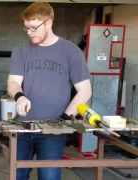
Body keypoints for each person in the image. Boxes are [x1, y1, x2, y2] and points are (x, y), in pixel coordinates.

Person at [7, 2, 92, 180]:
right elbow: (13, 82)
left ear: (49, 23)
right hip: (23, 127)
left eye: (33, 27)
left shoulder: (71, 51)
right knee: (17, 175)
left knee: (49, 176)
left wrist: (63, 120)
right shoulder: (21, 50)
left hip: (54, 131)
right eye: (26, 28)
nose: (29, 32)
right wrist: (20, 96)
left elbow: (84, 91)